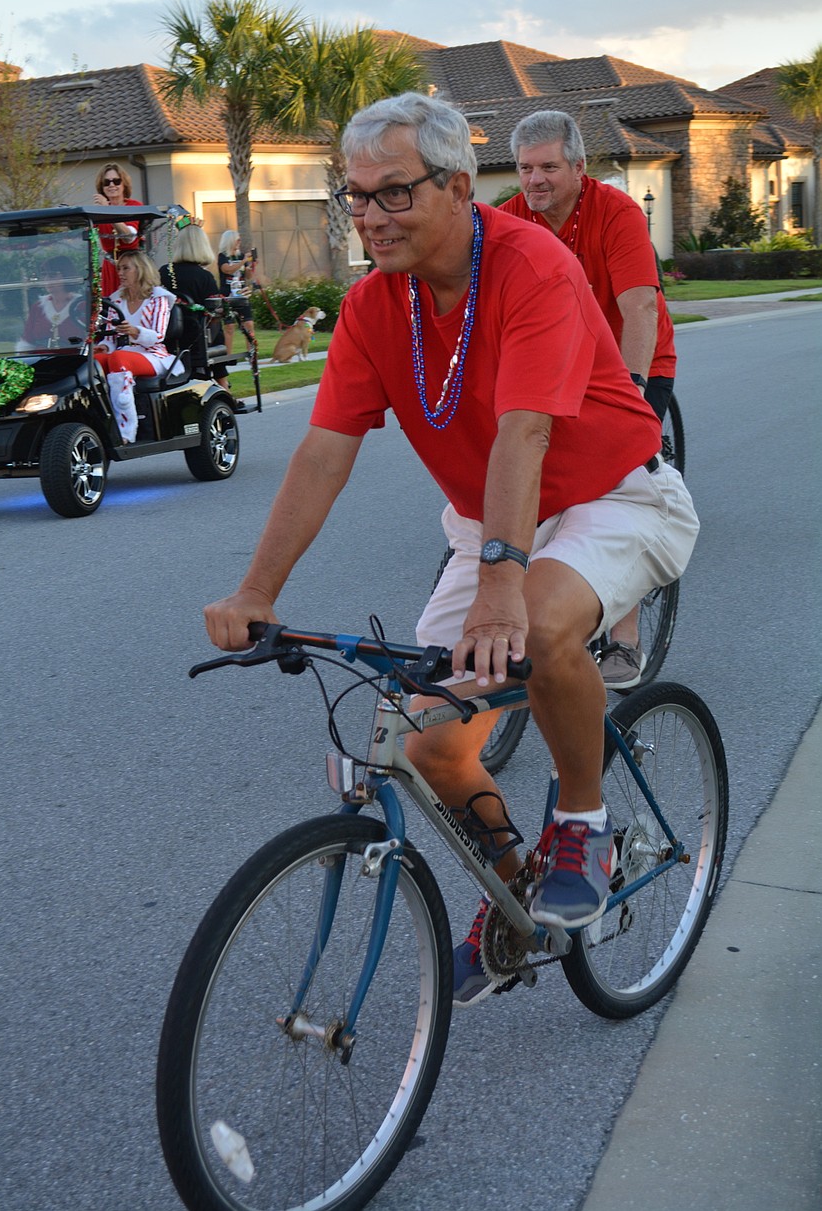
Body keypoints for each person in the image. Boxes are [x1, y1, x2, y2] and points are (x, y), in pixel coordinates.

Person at [203, 92, 699, 1008]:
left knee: (542, 624)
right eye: (354, 197)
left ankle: (583, 821)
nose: (369, 217)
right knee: (426, 737)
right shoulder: (370, 306)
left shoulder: (531, 267)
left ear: (459, 186)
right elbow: (323, 453)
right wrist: (256, 591)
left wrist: (503, 590)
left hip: (616, 495)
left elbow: (524, 436)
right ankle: (519, 890)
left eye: (394, 194)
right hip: (495, 523)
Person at [499, 110, 679, 686]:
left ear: (578, 166)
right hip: (556, 369)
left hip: (630, 364)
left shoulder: (616, 213)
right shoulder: (509, 220)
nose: (535, 180)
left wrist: (627, 395)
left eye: (548, 166)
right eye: (526, 168)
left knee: (608, 487)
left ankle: (624, 640)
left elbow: (640, 308)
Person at [158, 221, 246, 411]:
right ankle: (223, 385)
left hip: (167, 336)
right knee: (216, 331)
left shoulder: (165, 272)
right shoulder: (204, 277)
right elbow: (215, 311)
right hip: (196, 339)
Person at [95, 251, 178, 442]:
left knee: (118, 359)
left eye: (126, 268)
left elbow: (158, 336)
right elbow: (110, 335)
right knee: (95, 361)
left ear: (140, 270)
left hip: (152, 355)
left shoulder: (158, 298)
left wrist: (134, 331)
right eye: (119, 269)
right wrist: (104, 347)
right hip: (123, 352)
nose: (121, 273)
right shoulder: (116, 299)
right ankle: (99, 422)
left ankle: (127, 429)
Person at [93, 163, 143, 297]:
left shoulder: (134, 206)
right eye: (106, 182)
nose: (111, 185)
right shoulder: (97, 211)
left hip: (131, 264)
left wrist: (107, 211)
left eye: (116, 181)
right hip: (110, 267)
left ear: (124, 184)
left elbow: (128, 236)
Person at [18, 256, 81, 350]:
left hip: (73, 360)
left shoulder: (81, 305)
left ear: (66, 275)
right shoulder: (38, 307)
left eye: (52, 275)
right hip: (39, 361)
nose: (47, 279)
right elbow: (27, 341)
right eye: (44, 275)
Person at [216, 231, 258, 359]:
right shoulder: (222, 256)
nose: (239, 242)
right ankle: (227, 356)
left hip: (241, 293)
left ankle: (252, 354)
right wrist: (243, 261)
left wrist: (251, 266)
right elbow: (227, 269)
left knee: (249, 324)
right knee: (229, 326)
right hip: (227, 294)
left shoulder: (241, 256)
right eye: (237, 240)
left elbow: (248, 276)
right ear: (230, 241)